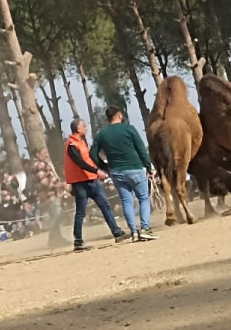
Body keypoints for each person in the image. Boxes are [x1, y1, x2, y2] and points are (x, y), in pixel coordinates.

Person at [90, 106, 159, 242]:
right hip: (134, 168)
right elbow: (141, 149)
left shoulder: (102, 134)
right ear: (119, 115)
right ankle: (145, 228)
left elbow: (92, 153)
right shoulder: (129, 128)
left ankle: (133, 231)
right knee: (143, 198)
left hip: (116, 171)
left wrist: (104, 167)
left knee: (126, 201)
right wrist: (148, 167)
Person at [63, 118, 126, 251]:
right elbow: (80, 163)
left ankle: (117, 232)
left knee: (105, 206)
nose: (86, 128)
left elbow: (89, 160)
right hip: (80, 183)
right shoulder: (72, 145)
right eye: (84, 126)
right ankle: (78, 242)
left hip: (91, 180)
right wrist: (97, 171)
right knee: (81, 212)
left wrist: (100, 170)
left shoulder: (81, 142)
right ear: (78, 129)